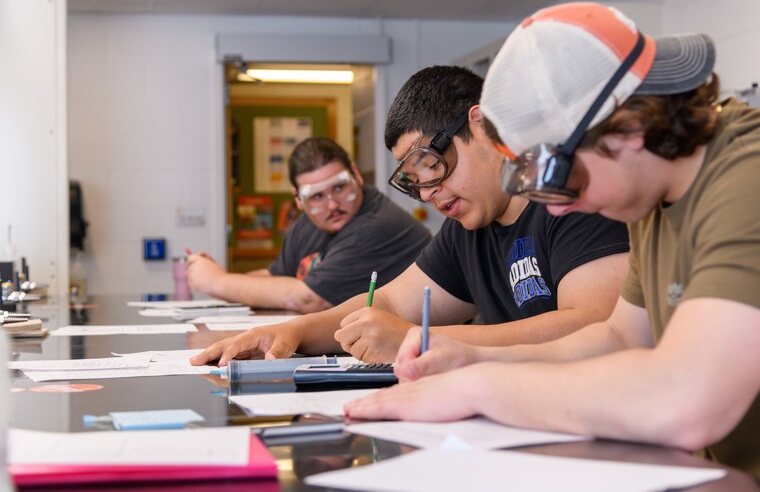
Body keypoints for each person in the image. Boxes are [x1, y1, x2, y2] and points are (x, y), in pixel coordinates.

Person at [344, 3, 760, 489]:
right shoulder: (651, 195)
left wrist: (481, 388)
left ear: (629, 127)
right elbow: (619, 337)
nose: (555, 209)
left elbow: (684, 401)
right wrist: (470, 359)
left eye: (559, 176)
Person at [190, 66, 629, 365]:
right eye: (414, 180)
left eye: (432, 165)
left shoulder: (570, 199)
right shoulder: (466, 230)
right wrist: (294, 333)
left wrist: (418, 340)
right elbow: (387, 302)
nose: (431, 192)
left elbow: (595, 326)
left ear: (479, 126)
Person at [186, 136, 431, 313]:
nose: (332, 205)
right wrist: (221, 279)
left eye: (339, 187)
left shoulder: (377, 224)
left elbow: (310, 299)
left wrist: (217, 282)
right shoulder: (307, 225)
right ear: (298, 200)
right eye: (316, 197)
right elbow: (275, 277)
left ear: (356, 175)